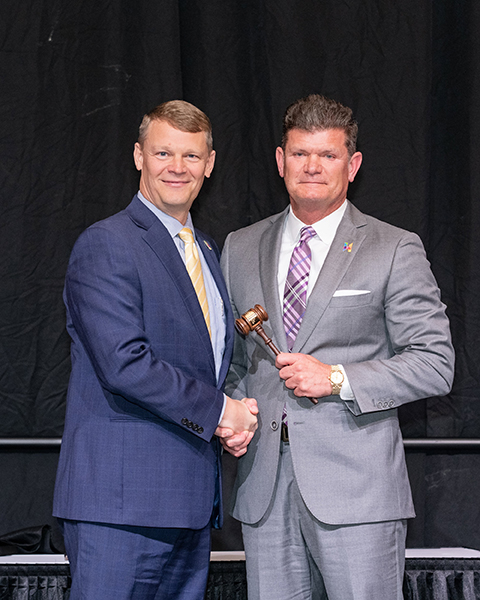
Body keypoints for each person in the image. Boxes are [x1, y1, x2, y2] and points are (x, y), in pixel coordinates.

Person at [220, 94, 454, 600]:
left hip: (358, 493)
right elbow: (233, 362)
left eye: (328, 155)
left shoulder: (394, 247)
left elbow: (434, 363)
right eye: (300, 153)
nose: (312, 166)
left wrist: (337, 378)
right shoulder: (240, 246)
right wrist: (232, 413)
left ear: (353, 165)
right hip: (264, 491)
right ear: (280, 160)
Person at [53, 100, 258, 600]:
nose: (177, 167)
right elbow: (124, 363)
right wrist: (221, 413)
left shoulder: (206, 251)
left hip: (189, 507)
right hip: (120, 508)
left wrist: (231, 417)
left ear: (210, 164)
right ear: (138, 156)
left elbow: (206, 365)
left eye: (191, 156)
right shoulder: (107, 243)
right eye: (163, 152)